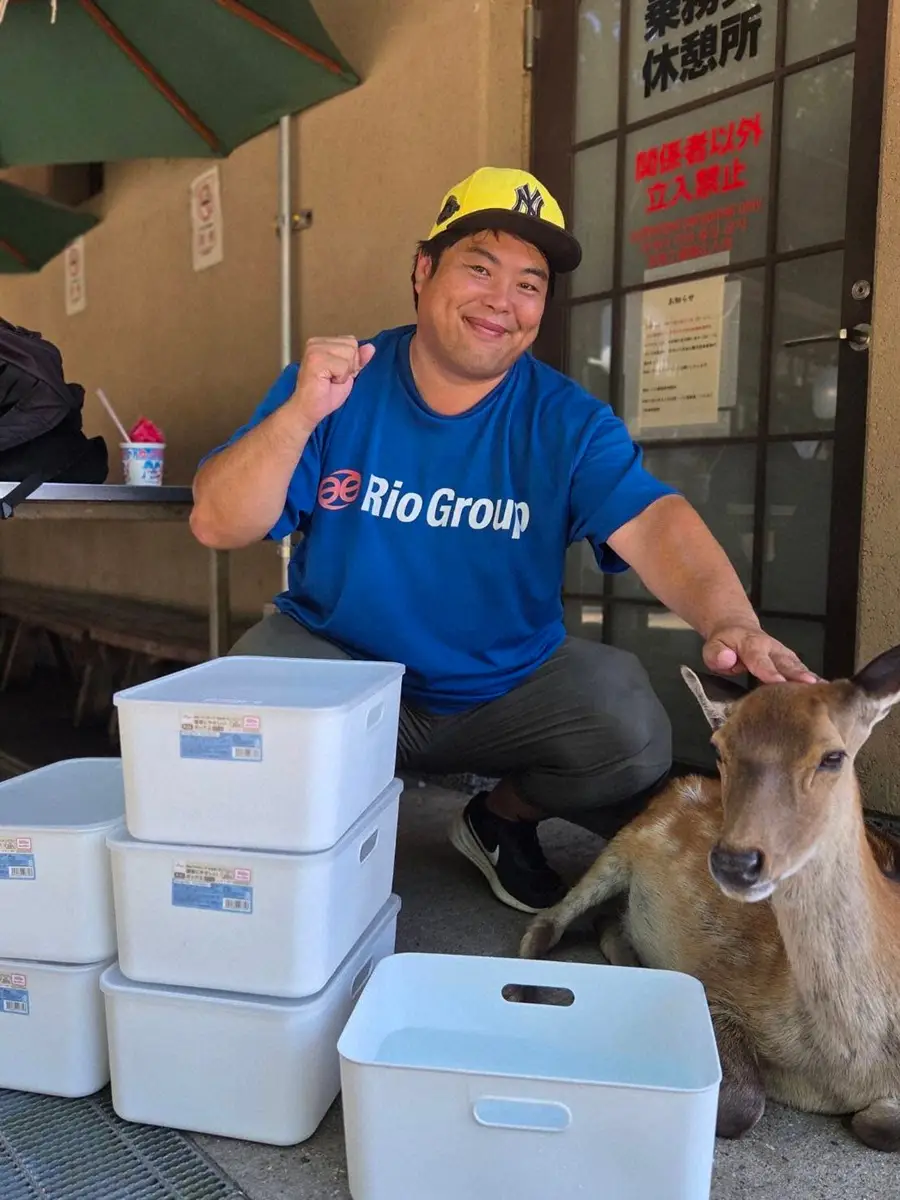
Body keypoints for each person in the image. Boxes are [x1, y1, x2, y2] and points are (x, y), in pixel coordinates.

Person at [190, 166, 816, 915]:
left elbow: (653, 519)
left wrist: (731, 621)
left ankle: (498, 820)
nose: (502, 301)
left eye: (529, 283)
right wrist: (298, 416)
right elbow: (216, 522)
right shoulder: (335, 385)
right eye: (479, 268)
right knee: (239, 696)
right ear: (423, 272)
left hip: (497, 695)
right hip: (343, 672)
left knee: (626, 723)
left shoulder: (566, 421)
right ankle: (302, 855)